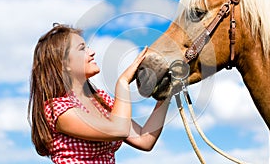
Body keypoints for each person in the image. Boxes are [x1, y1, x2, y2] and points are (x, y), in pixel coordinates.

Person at [28, 23, 171, 164]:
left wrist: (167, 93)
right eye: (82, 49)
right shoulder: (59, 109)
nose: (91, 52)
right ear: (64, 63)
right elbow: (119, 130)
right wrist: (123, 83)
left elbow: (144, 140)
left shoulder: (101, 101)